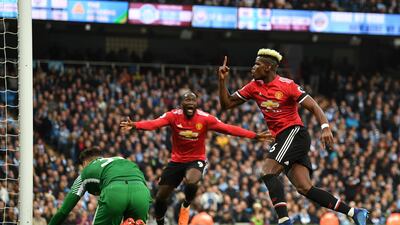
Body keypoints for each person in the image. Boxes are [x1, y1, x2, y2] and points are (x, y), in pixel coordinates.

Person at [217, 48, 369, 225]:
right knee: (305, 188)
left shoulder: (287, 85)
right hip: (284, 139)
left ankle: (284, 221)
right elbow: (226, 104)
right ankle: (354, 212)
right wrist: (222, 81)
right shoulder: (253, 87)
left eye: (257, 64)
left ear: (267, 67)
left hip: (294, 133)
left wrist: (325, 127)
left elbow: (313, 106)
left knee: (267, 171)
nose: (252, 68)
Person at [120, 91, 274, 225]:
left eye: (193, 100)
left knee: (192, 182)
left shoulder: (205, 118)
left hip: (196, 159)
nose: (190, 103)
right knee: (160, 198)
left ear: (196, 104)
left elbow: (228, 129)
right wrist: (135, 125)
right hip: (176, 161)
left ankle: (186, 205)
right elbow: (154, 123)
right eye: (187, 100)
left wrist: (254, 136)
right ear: (181, 104)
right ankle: (160, 222)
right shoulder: (173, 116)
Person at [48, 147, 151, 225]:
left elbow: (63, 211)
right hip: (142, 192)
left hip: (115, 192)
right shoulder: (120, 159)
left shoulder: (85, 172)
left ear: (84, 164)